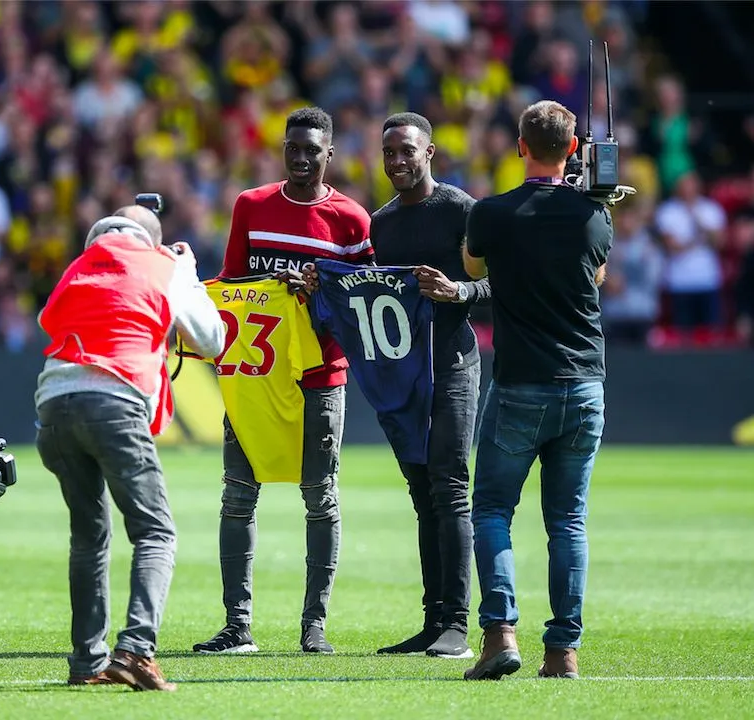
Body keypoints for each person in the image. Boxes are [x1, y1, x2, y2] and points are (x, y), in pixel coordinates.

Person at [193, 107, 373, 655]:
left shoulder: (351, 220)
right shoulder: (251, 205)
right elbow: (229, 283)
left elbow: (364, 303)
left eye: (311, 150)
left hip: (321, 375)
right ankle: (236, 625)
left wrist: (319, 291)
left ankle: (314, 625)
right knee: (237, 498)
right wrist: (272, 282)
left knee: (320, 498)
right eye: (292, 148)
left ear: (329, 155)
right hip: (257, 374)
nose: (300, 157)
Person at [35, 205, 224, 691]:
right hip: (115, 399)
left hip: (53, 405)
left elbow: (48, 319)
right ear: (154, 241)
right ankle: (137, 652)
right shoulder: (164, 265)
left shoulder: (78, 267)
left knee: (89, 537)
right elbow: (212, 339)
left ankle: (87, 663)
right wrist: (189, 275)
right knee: (155, 532)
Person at [461, 100, 612, 681]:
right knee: (567, 521)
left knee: (494, 509)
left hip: (521, 383)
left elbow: (473, 270)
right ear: (572, 149)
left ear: (520, 145)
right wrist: (585, 198)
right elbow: (594, 276)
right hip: (584, 385)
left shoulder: (491, 213)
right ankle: (562, 652)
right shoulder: (594, 214)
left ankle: (500, 635)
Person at [366, 112, 489, 660]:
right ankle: (434, 620)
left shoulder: (461, 210)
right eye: (388, 152)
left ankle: (457, 626)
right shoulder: (381, 224)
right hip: (406, 369)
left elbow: (498, 281)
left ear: (430, 152)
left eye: (406, 151)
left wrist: (458, 291)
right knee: (423, 495)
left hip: (455, 361)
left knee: (450, 488)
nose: (396, 161)